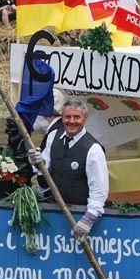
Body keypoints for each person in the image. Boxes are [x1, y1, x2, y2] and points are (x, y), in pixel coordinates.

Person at [30, 100, 108, 241]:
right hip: (54, 211)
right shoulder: (53, 136)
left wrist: (89, 219)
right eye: (67, 117)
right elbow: (44, 173)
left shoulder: (94, 149)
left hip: (79, 214)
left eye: (76, 117)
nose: (71, 121)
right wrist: (37, 163)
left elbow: (99, 189)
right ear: (62, 118)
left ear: (85, 119)